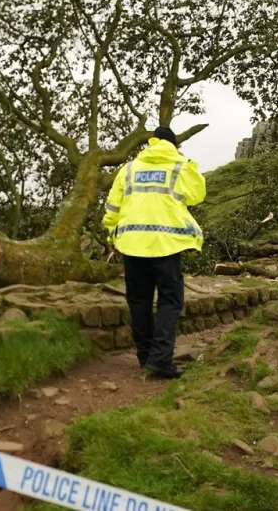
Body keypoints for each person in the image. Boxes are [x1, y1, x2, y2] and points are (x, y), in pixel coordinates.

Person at [102, 127, 206, 379]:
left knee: (139, 300)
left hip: (131, 243)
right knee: (170, 301)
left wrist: (111, 236)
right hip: (166, 244)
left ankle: (145, 357)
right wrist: (186, 161)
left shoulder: (127, 170)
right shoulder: (180, 166)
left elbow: (112, 208)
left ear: (151, 143)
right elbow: (197, 194)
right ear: (173, 145)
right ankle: (160, 359)